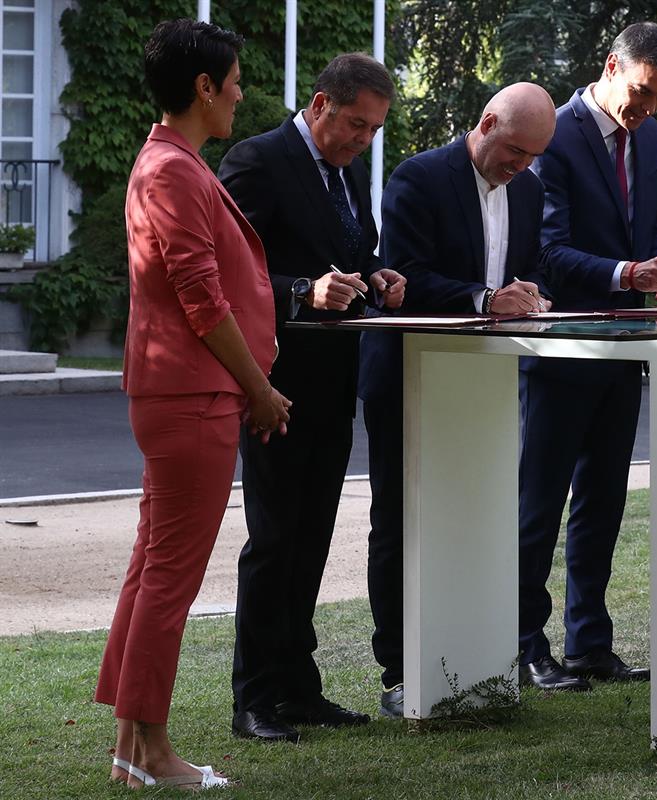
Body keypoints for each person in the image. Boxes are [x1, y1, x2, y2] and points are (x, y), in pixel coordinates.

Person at [96, 18, 289, 788]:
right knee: (169, 578)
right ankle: (151, 751)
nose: (241, 92)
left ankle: (128, 746)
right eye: (234, 79)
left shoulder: (169, 162)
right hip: (191, 397)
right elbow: (203, 303)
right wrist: (262, 390)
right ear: (203, 88)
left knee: (153, 570)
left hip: (180, 394)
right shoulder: (172, 168)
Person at [219, 53, 405, 742]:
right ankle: (255, 698)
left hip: (334, 381)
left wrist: (376, 275)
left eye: (374, 131)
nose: (363, 140)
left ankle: (298, 687)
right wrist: (302, 290)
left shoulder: (350, 172)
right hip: (273, 379)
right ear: (321, 105)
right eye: (355, 124)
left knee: (311, 538)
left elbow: (353, 251)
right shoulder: (256, 160)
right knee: (272, 540)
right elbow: (223, 271)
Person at [357, 82, 556, 717]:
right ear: (486, 121)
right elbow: (405, 276)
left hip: (486, 382)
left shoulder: (529, 189)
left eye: (532, 157)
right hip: (411, 377)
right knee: (401, 520)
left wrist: (531, 297)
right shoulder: (419, 177)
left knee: (480, 515)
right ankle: (400, 670)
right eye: (514, 151)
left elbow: (527, 269)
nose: (520, 166)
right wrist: (483, 299)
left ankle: (475, 656)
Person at [521, 21, 657, 691]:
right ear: (612, 66)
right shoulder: (552, 135)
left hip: (625, 348)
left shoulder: (648, 137)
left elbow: (655, 228)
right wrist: (627, 273)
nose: (647, 110)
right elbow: (544, 250)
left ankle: (590, 641)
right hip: (561, 347)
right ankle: (525, 643)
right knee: (539, 503)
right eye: (642, 93)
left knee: (603, 501)